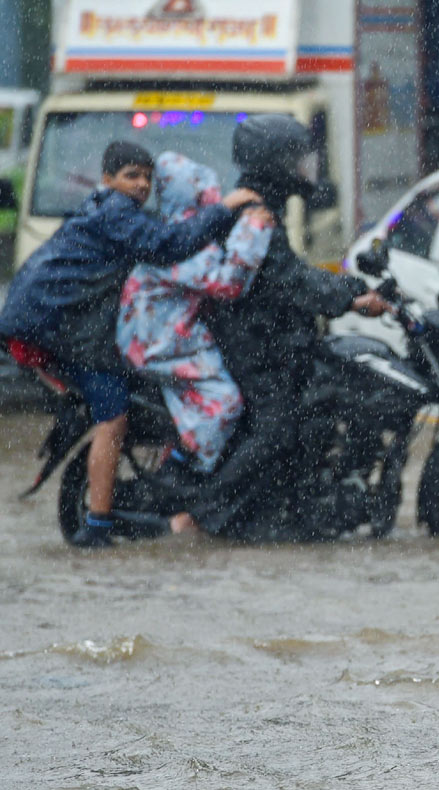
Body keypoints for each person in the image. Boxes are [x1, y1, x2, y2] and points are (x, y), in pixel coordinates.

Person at [0, 140, 261, 548]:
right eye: (130, 176)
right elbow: (173, 247)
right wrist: (227, 210)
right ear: (107, 180)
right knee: (114, 416)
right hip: (52, 326)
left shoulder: (114, 211)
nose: (141, 184)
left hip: (55, 320)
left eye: (146, 177)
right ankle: (97, 526)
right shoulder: (117, 212)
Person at [187, 114, 391, 540]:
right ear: (273, 162)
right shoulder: (255, 212)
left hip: (265, 337)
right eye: (298, 160)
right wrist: (349, 298)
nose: (307, 169)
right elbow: (287, 278)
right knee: (278, 426)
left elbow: (291, 272)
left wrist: (350, 286)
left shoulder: (263, 206)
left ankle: (290, 509)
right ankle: (203, 516)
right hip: (252, 344)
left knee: (311, 411)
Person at [117, 152, 276, 532]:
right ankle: (179, 469)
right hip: (157, 341)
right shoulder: (179, 239)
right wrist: (254, 229)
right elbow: (229, 284)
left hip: (166, 334)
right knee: (225, 401)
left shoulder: (181, 231)